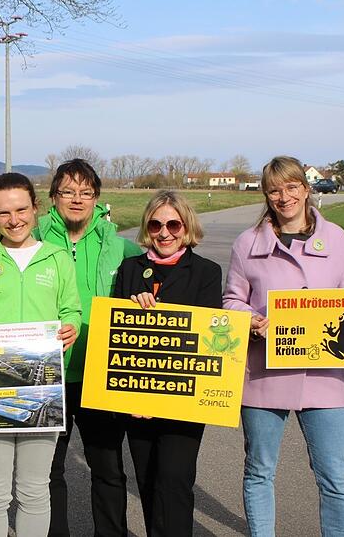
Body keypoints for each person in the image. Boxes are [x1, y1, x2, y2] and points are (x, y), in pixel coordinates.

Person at [222, 156, 344, 537]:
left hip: (324, 377)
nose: (283, 197)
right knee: (259, 471)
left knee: (334, 475)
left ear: (305, 188)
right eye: (274, 190)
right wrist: (249, 319)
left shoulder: (337, 239)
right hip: (263, 374)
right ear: (266, 196)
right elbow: (232, 299)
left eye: (291, 187)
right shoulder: (247, 243)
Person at [0, 173, 82, 536]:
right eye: (3, 213)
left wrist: (71, 326)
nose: (14, 220)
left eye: (21, 210)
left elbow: (71, 309)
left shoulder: (58, 258)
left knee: (34, 489)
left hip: (43, 387)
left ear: (36, 208)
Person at [34, 158, 142, 537]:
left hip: (101, 373)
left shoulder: (121, 247)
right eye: (68, 191)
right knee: (47, 470)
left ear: (97, 198)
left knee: (108, 469)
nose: (77, 199)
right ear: (54, 197)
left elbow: (161, 282)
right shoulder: (32, 242)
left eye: (86, 192)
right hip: (47, 373)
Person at [112, 190, 222, 537]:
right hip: (138, 397)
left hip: (183, 398)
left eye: (173, 224)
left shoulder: (206, 272)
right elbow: (116, 332)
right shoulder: (130, 269)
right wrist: (133, 308)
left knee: (174, 480)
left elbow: (208, 337)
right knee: (147, 480)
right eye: (155, 224)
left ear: (186, 226)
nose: (164, 232)